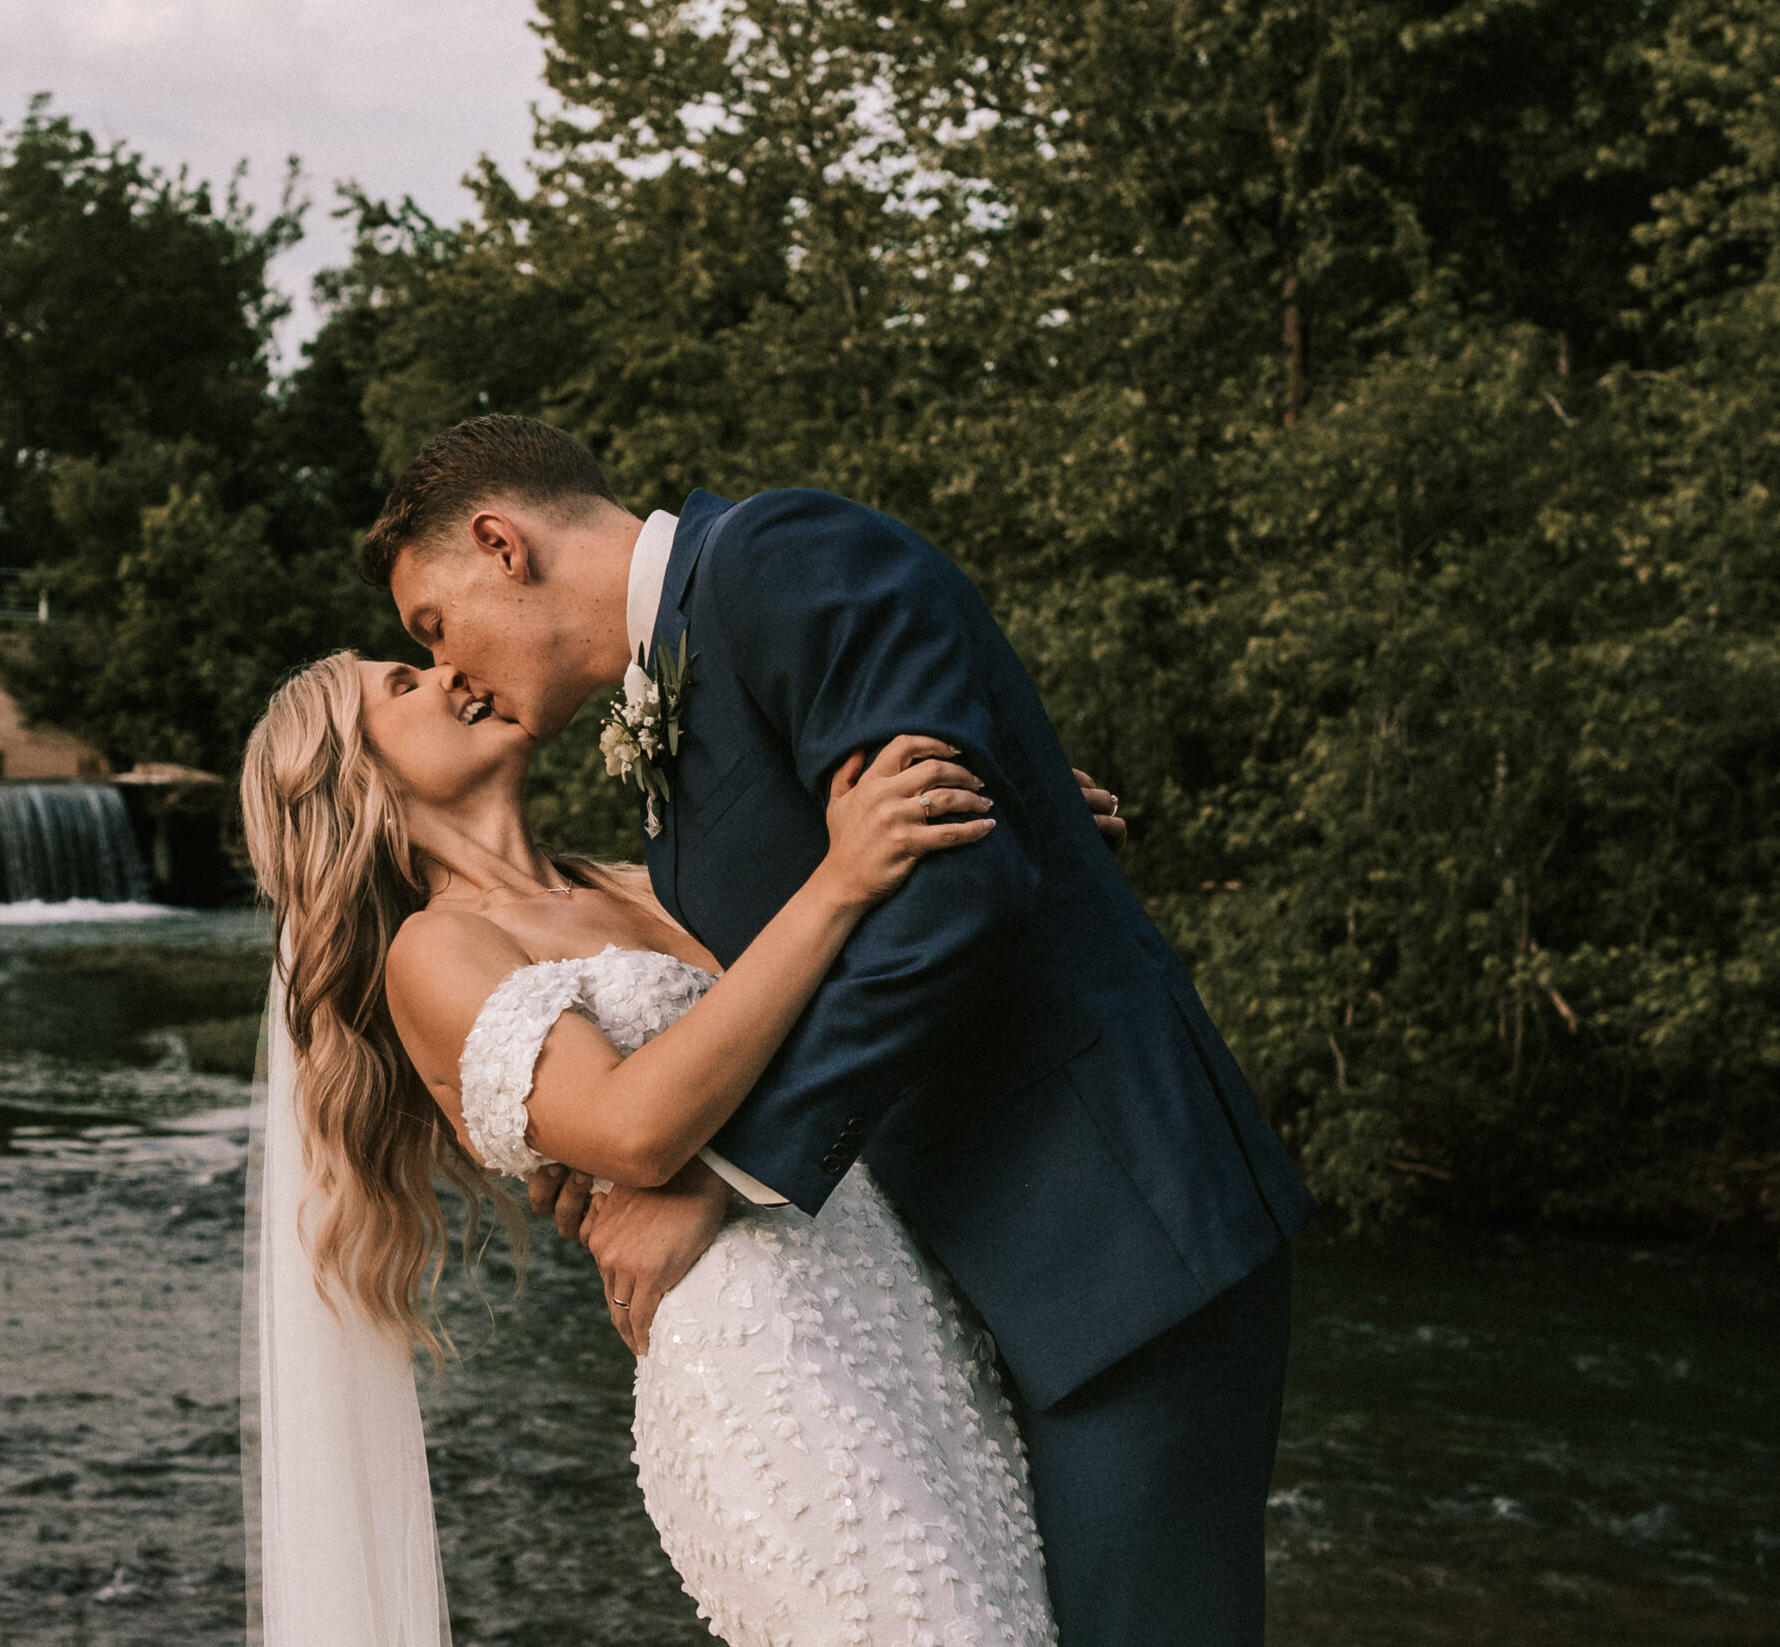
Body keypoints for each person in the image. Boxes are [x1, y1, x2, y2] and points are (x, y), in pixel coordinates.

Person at [353, 415, 1318, 1647]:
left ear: (502, 543)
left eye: (434, 627)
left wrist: (716, 1170)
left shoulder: (777, 556)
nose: (454, 669)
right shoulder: (662, 797)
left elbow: (950, 884)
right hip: (965, 1289)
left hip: (1112, 1228)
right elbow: (865, 908)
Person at [242, 646, 1098, 1643]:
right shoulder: (436, 948)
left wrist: (1013, 838)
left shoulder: (645, 884)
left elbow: (860, 1018)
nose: (450, 674)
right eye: (401, 683)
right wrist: (839, 881)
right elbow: (635, 1128)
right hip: (758, 1354)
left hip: (906, 1319)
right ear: (358, 782)